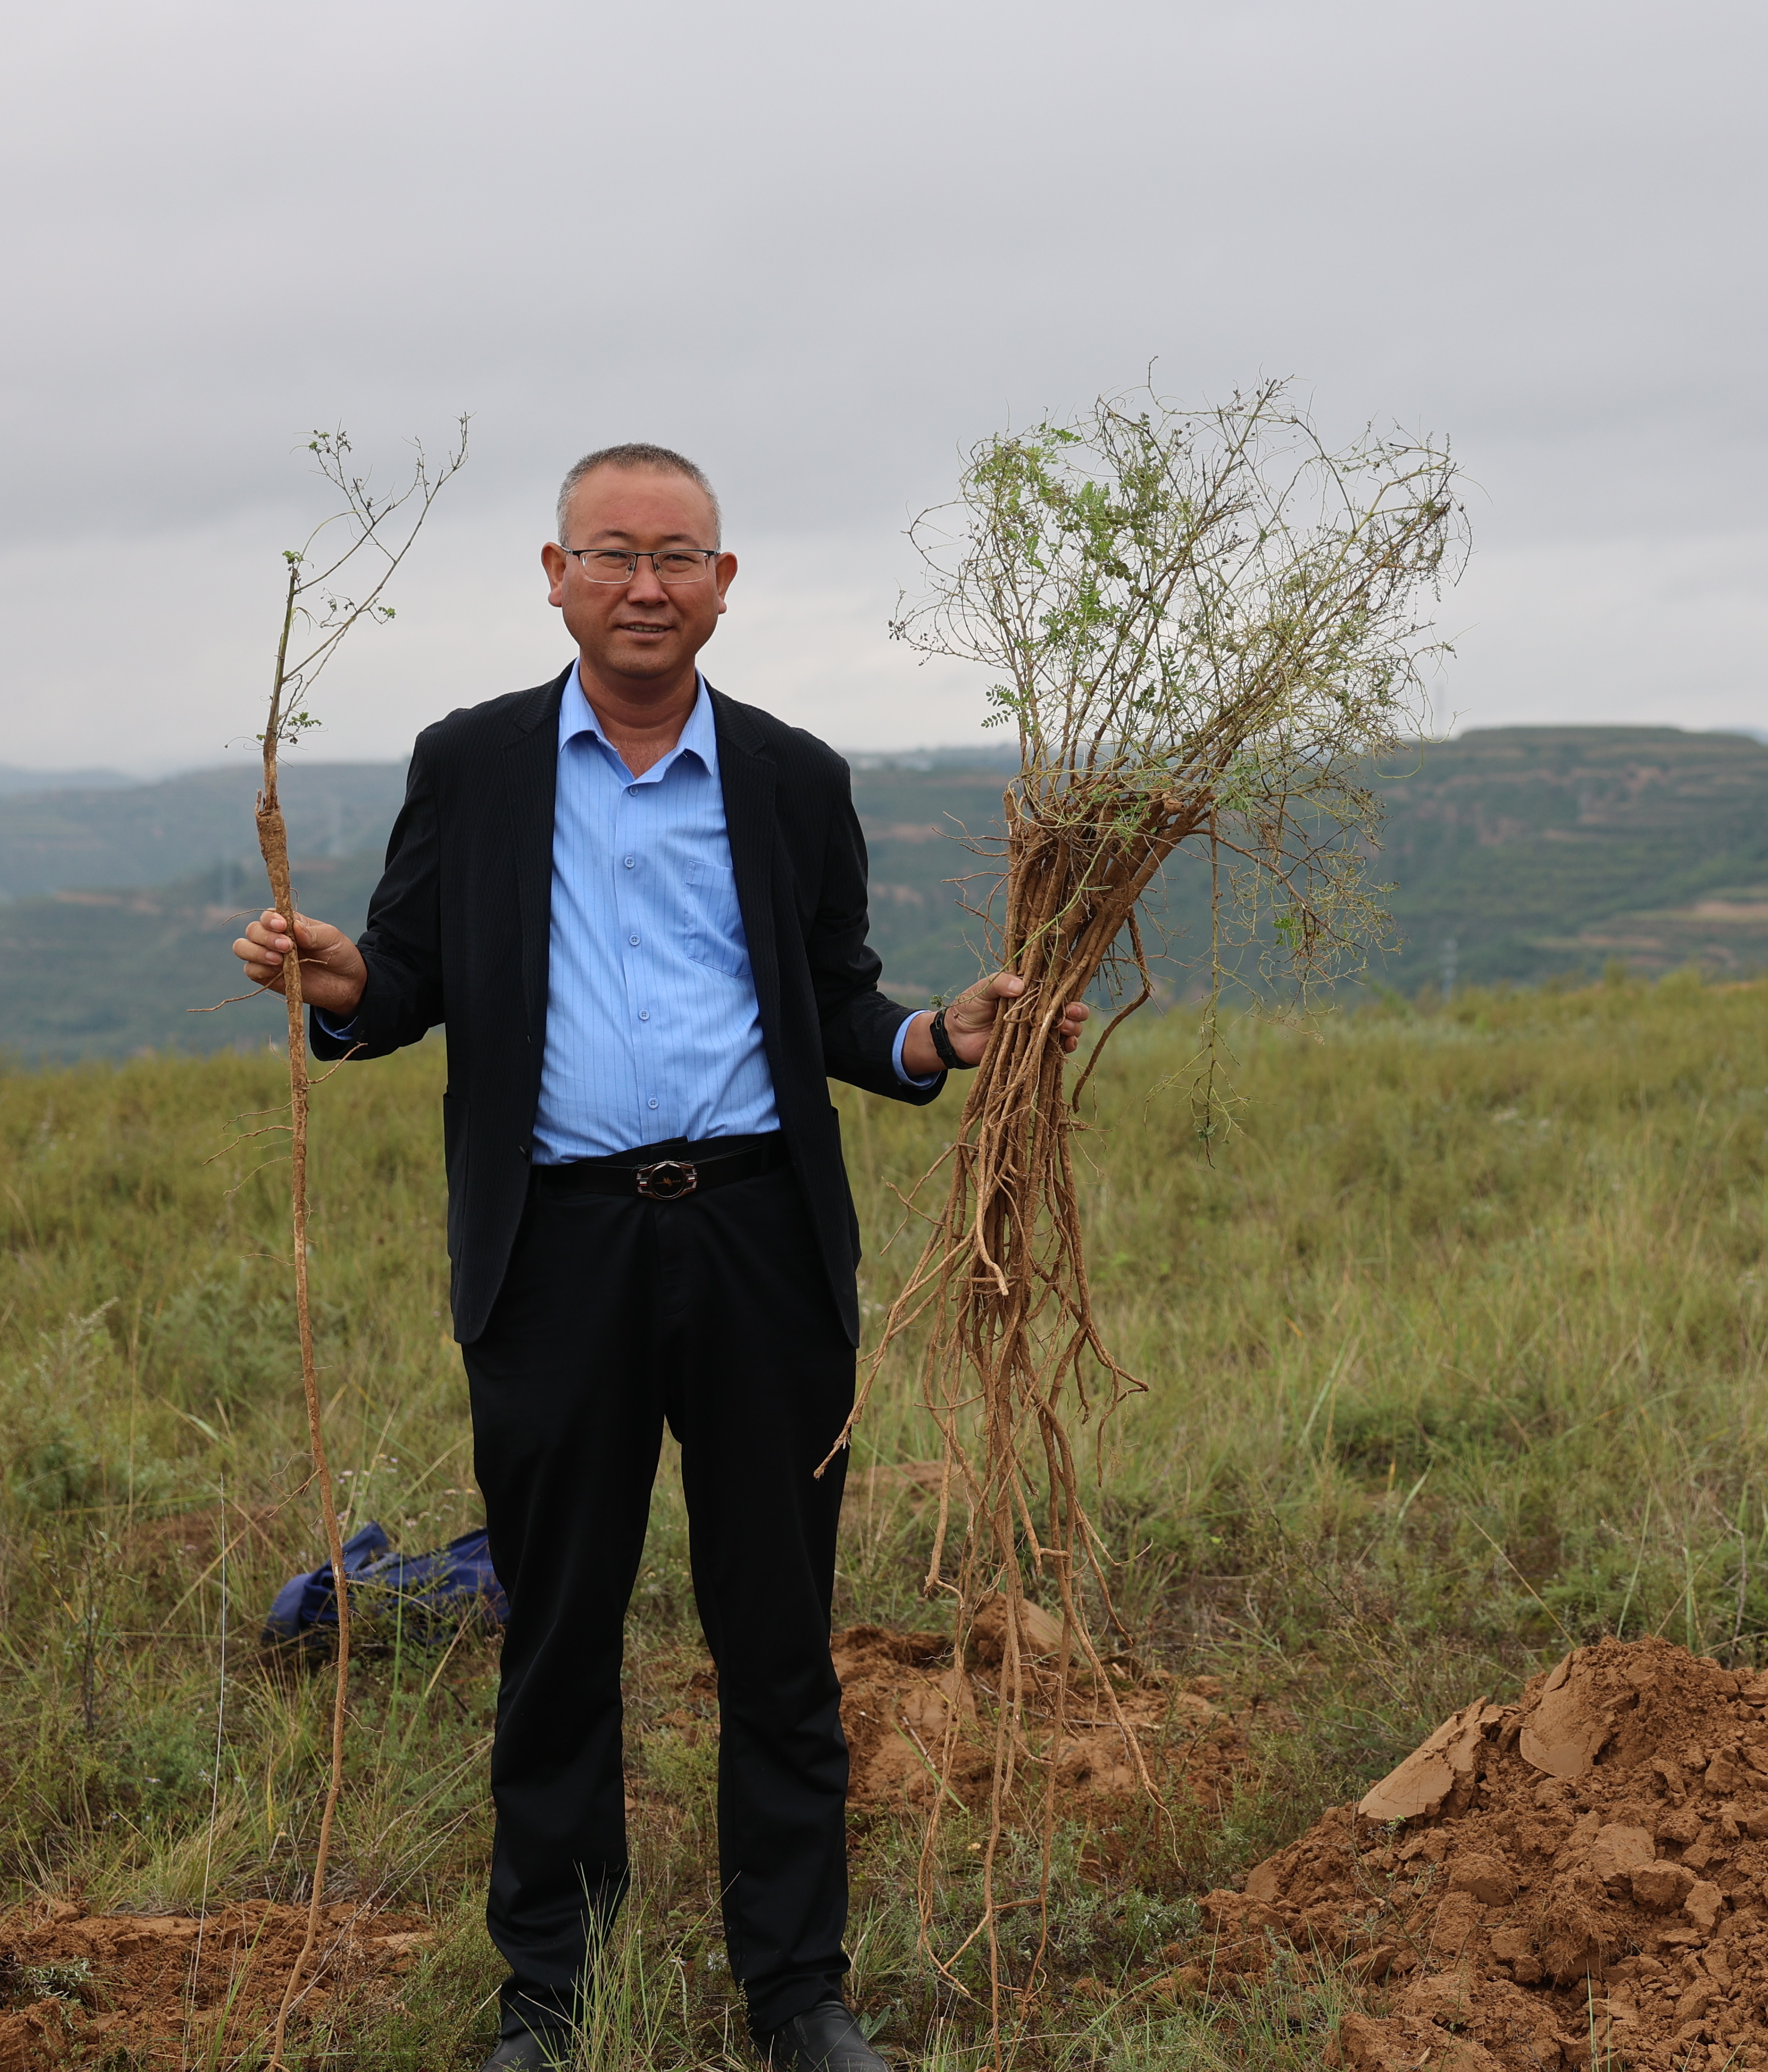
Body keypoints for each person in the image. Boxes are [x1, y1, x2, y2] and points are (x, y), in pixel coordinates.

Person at [234, 442, 1082, 2072]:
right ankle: (549, 1996)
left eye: (678, 555)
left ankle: (797, 1993)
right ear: (552, 577)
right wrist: (340, 979)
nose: (645, 583)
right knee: (559, 1627)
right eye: (612, 554)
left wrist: (927, 1035)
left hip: (760, 1238)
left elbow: (835, 999)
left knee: (776, 1627)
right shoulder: (471, 765)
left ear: (724, 584)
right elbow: (408, 976)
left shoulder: (789, 777)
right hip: (555, 1249)